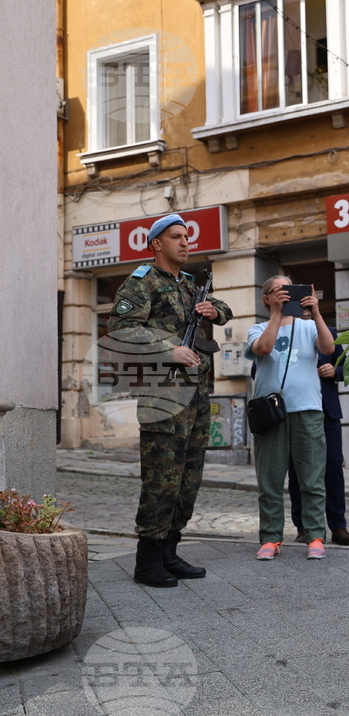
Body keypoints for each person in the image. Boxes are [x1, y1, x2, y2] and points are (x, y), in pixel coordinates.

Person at [108, 213, 232, 588]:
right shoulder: (142, 282)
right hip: (163, 393)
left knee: (189, 477)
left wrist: (215, 311)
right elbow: (120, 329)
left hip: (196, 394)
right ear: (157, 244)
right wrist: (168, 349)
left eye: (187, 236)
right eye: (176, 237)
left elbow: (225, 311)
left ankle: (169, 551)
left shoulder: (191, 285)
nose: (185, 242)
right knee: (162, 479)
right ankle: (147, 561)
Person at [246, 276, 336, 561]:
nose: (285, 295)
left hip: (307, 409)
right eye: (278, 291)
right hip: (271, 414)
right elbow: (264, 348)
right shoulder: (257, 328)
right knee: (270, 481)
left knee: (312, 479)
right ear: (266, 298)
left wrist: (317, 313)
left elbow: (329, 348)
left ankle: (315, 536)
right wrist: (276, 314)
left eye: (289, 290)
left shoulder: (309, 326)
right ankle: (270, 538)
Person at [288, 326, 349, 546]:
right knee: (298, 470)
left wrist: (335, 371)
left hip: (327, 411)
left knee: (333, 467)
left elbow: (347, 367)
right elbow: (258, 369)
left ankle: (338, 526)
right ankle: (303, 527)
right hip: (296, 409)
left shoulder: (328, 332)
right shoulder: (284, 331)